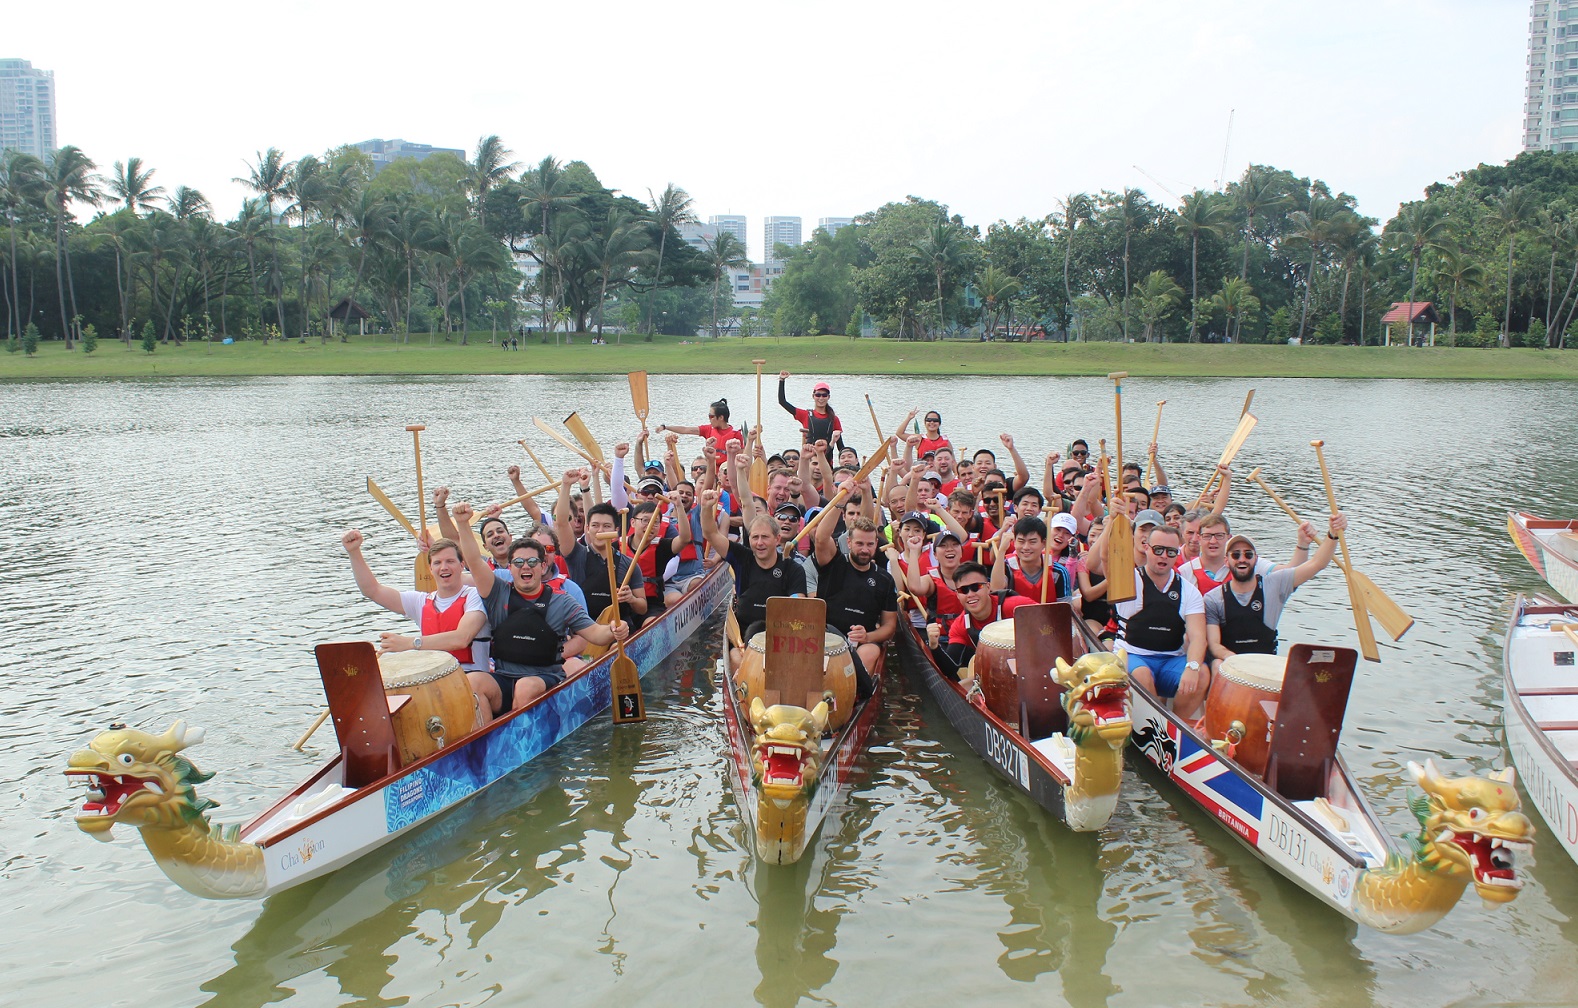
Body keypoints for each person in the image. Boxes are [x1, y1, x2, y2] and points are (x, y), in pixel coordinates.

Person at [449, 502, 629, 718]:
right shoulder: (496, 592)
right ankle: (487, 734)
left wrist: (614, 629)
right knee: (472, 681)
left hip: (545, 677)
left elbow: (595, 634)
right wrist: (462, 524)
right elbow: (474, 561)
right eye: (519, 562)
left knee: (525, 687)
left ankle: (519, 733)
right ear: (510, 568)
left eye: (533, 561)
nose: (526, 566)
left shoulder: (562, 600)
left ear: (543, 566)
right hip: (504, 676)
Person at [341, 529, 487, 677]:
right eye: (437, 563)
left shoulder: (475, 595)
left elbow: (461, 639)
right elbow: (372, 590)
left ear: (462, 565)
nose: (444, 567)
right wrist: (354, 552)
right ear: (430, 569)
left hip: (472, 675)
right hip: (436, 678)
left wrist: (409, 643)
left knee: (473, 680)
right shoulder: (420, 602)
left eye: (450, 561)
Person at [1204, 514, 1347, 666]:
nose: (1242, 559)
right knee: (1216, 664)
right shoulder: (1213, 598)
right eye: (1236, 555)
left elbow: (1317, 564)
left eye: (1248, 554)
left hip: (1266, 664)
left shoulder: (1275, 585)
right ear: (1226, 561)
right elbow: (1214, 645)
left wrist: (1333, 534)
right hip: (1231, 665)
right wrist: (1236, 660)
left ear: (1256, 559)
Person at [701, 489, 806, 664]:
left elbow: (799, 605)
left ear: (777, 539)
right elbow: (711, 534)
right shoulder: (742, 558)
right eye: (755, 537)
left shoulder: (793, 569)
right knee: (735, 658)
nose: (759, 543)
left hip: (781, 638)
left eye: (765, 537)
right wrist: (705, 507)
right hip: (743, 638)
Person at [1115, 524, 1207, 717]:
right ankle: (1157, 722)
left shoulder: (1189, 591)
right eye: (1158, 550)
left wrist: (1192, 667)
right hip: (1133, 655)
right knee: (1142, 675)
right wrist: (1115, 520)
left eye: (1171, 552)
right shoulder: (1128, 581)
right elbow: (1107, 558)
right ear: (1146, 548)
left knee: (1202, 673)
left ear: (1177, 553)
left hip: (1170, 660)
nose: (1164, 556)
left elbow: (1198, 637)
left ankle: (1177, 724)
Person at [814, 503, 898, 699]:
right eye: (859, 544)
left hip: (861, 643)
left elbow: (889, 626)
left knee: (870, 652)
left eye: (870, 544)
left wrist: (867, 637)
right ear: (849, 542)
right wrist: (839, 504)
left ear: (876, 544)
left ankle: (850, 699)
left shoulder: (884, 579)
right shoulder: (833, 563)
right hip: (825, 636)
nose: (865, 550)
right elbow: (820, 538)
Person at [937, 562, 1022, 671]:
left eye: (976, 587)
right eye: (963, 590)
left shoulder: (1016, 606)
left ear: (988, 587)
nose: (970, 594)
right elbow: (949, 669)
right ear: (957, 595)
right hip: (994, 673)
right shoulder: (960, 625)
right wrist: (935, 647)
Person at [778, 371, 844, 450]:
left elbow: (840, 447)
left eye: (824, 395)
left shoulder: (834, 419)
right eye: (818, 395)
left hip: (827, 457)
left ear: (828, 397)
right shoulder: (805, 415)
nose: (821, 398)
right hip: (809, 456)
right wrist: (782, 380)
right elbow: (782, 402)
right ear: (813, 396)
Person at [656, 399, 739, 455]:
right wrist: (665, 427)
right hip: (712, 471)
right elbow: (685, 430)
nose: (709, 419)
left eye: (711, 416)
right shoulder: (708, 429)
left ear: (721, 417)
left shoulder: (736, 435)